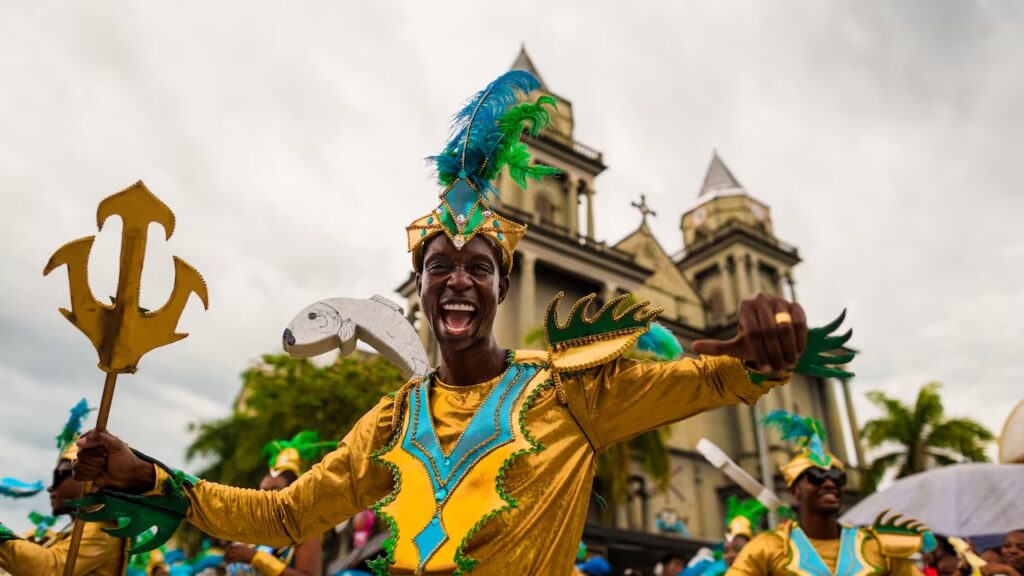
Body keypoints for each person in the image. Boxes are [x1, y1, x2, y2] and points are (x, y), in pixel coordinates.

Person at [72, 70, 837, 575]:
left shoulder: (570, 390)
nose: (458, 280)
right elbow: (284, 513)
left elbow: (716, 375)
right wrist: (149, 474)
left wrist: (767, 343)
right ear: (425, 289)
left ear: (503, 286)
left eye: (478, 266)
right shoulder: (390, 420)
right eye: (440, 268)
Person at [728, 411, 931, 576]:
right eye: (815, 476)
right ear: (795, 491)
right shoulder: (766, 548)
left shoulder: (877, 546)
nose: (828, 483)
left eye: (836, 477)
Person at [0, 399, 128, 575]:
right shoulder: (79, 527)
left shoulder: (101, 529)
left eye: (60, 476)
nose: (51, 488)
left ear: (89, 479)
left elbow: (50, 568)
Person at [221, 431, 332, 576]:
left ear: (293, 494)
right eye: (263, 491)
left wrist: (257, 558)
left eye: (275, 490)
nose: (267, 496)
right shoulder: (251, 532)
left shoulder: (305, 532)